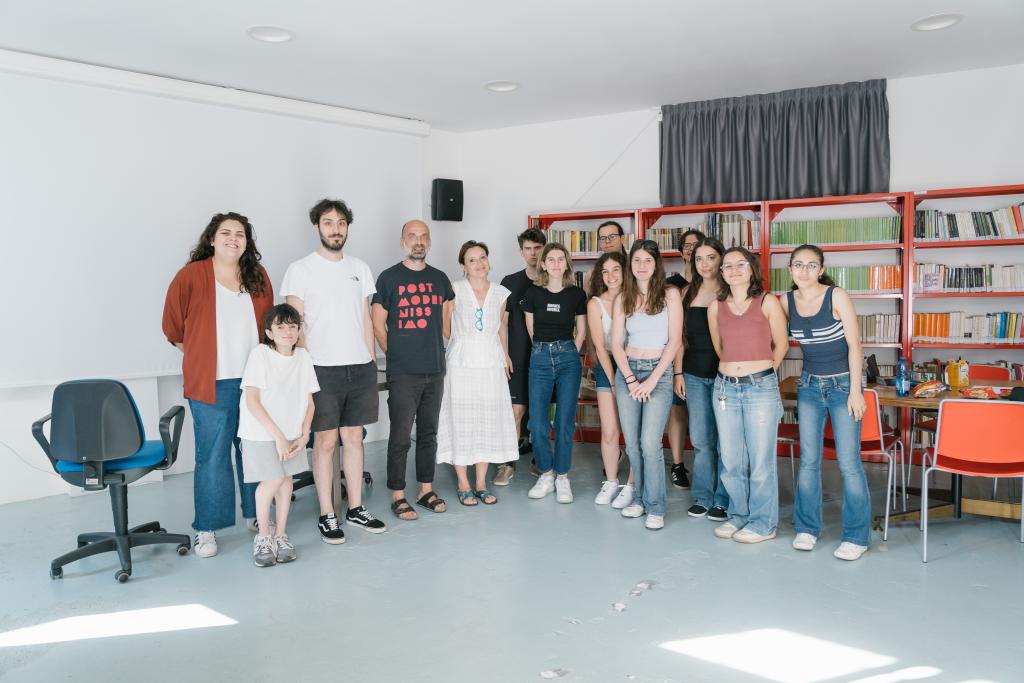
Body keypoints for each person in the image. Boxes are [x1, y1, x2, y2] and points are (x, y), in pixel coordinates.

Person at [162, 212, 274, 558]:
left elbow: (270, 326)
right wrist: (201, 354)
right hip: (211, 383)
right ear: (211, 239)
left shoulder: (257, 276)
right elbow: (172, 327)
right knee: (212, 455)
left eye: (240, 233)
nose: (232, 238)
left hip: (253, 382)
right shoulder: (191, 275)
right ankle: (207, 528)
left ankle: (256, 514)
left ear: (247, 241)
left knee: (253, 451)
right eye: (225, 232)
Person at [281, 199, 385, 544]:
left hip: (359, 366)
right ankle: (327, 513)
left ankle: (355, 508)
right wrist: (304, 370)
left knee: (353, 438)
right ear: (317, 227)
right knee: (325, 442)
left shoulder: (360, 267)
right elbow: (295, 325)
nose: (335, 229)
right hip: (321, 369)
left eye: (341, 223)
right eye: (328, 222)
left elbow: (366, 317)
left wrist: (371, 359)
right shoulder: (300, 269)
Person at [781, 244, 870, 561]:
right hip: (809, 386)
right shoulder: (785, 301)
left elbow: (855, 345)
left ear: (821, 269)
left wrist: (856, 391)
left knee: (848, 462)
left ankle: (856, 536)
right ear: (790, 269)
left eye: (811, 265)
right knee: (809, 460)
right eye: (798, 264)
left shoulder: (836, 296)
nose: (804, 271)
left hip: (843, 385)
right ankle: (807, 528)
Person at [372, 220, 455, 520]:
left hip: (435, 368)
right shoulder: (388, 278)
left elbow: (447, 324)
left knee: (429, 433)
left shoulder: (440, 279)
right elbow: (377, 324)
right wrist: (395, 355)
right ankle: (398, 494)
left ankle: (425, 490)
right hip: (404, 372)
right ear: (402, 241)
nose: (418, 241)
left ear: (429, 242)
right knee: (400, 436)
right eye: (412, 236)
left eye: (423, 236)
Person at [708, 247, 788, 544]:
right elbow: (720, 347)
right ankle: (738, 515)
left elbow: (781, 344)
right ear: (722, 273)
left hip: (760, 388)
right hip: (725, 388)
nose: (733, 270)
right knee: (731, 459)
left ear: (752, 269)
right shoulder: (716, 306)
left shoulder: (767, 301)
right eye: (727, 266)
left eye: (740, 264)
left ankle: (763, 523)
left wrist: (762, 375)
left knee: (761, 461)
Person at [436, 241, 518, 505]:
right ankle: (463, 483)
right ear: (463, 265)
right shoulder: (454, 289)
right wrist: (454, 322)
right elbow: (446, 329)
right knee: (461, 419)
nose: (479, 263)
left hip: (491, 361)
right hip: (461, 361)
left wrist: (505, 355)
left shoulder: (501, 293)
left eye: (482, 257)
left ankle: (481, 483)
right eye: (472, 260)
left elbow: (501, 327)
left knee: (486, 420)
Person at [237, 304, 318, 567]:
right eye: (280, 327)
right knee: (272, 479)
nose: (287, 332)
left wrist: (305, 434)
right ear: (269, 333)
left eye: (293, 326)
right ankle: (263, 536)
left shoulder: (303, 357)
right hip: (261, 432)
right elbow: (252, 401)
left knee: (286, 482)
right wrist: (279, 438)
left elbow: (310, 402)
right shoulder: (260, 355)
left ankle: (281, 535)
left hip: (292, 431)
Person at [610, 240, 683, 530]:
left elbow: (675, 341)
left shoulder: (670, 294)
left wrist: (652, 380)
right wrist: (630, 378)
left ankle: (655, 507)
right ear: (630, 264)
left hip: (659, 374)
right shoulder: (623, 297)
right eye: (637, 260)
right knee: (633, 444)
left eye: (647, 261)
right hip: (628, 372)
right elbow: (616, 343)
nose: (642, 266)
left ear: (656, 264)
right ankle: (639, 499)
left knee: (650, 444)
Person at [524, 243, 587, 503]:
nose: (556, 264)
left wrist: (570, 352)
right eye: (551, 259)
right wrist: (544, 350)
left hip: (568, 358)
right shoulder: (533, 293)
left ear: (567, 264)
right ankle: (546, 474)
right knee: (538, 422)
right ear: (543, 264)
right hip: (540, 357)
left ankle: (562, 476)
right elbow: (531, 329)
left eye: (561, 259)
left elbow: (581, 330)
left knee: (564, 421)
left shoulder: (577, 294)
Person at [673, 238, 730, 522]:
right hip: (693, 375)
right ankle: (704, 497)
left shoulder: (732, 291)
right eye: (699, 259)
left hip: (726, 376)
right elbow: (678, 339)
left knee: (726, 440)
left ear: (721, 259)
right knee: (701, 439)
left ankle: (724, 499)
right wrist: (678, 373)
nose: (704, 264)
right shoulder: (686, 293)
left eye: (710, 257)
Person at [495, 228, 547, 486]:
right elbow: (502, 322)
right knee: (515, 412)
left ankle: (541, 460)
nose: (533, 253)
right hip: (516, 357)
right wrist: (504, 354)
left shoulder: (553, 279)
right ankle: (507, 464)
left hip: (545, 358)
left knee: (540, 413)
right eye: (528, 248)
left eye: (537, 248)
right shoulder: (510, 282)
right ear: (521, 251)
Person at [586, 251, 635, 507]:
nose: (611, 276)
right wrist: (615, 381)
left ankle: (632, 484)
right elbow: (599, 346)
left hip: (636, 364)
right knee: (610, 430)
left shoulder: (636, 298)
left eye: (616, 270)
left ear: (625, 271)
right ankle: (611, 481)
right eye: (605, 272)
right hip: (608, 365)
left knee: (634, 431)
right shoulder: (595, 304)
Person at [665, 228, 705, 490]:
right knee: (678, 410)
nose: (691, 249)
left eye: (696, 245)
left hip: (705, 356)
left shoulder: (712, 281)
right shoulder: (672, 284)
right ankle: (678, 464)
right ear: (681, 252)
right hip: (678, 354)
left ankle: (707, 467)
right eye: (686, 246)